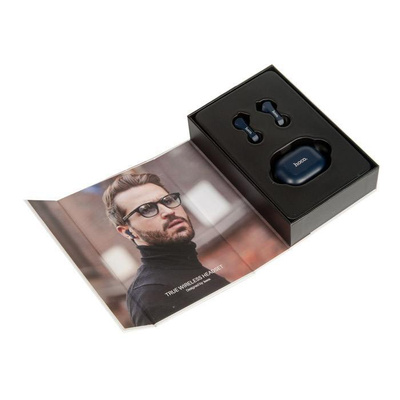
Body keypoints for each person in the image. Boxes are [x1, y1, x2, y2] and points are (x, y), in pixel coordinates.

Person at [103, 172, 229, 326]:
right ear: (128, 231)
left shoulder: (186, 266)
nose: (169, 211)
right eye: (146, 209)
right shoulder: (150, 295)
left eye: (168, 200)